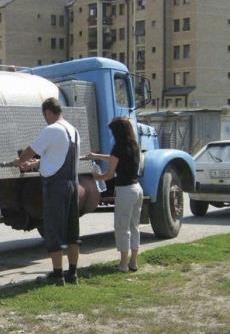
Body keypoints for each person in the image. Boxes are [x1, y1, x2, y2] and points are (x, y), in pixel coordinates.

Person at [14, 97, 81, 286]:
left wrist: (21, 162)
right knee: (72, 232)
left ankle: (58, 275)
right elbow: (57, 156)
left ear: (48, 112)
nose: (45, 119)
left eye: (45, 116)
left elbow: (31, 150)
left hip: (56, 187)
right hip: (72, 185)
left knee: (54, 230)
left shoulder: (52, 129)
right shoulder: (73, 131)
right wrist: (36, 164)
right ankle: (73, 273)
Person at [86, 117, 143, 273]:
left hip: (125, 191)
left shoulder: (118, 147)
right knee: (134, 226)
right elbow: (114, 159)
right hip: (137, 189)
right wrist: (97, 156)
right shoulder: (134, 145)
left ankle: (123, 264)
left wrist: (97, 177)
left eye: (112, 131)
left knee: (121, 227)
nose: (111, 134)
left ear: (117, 132)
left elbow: (110, 174)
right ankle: (133, 262)